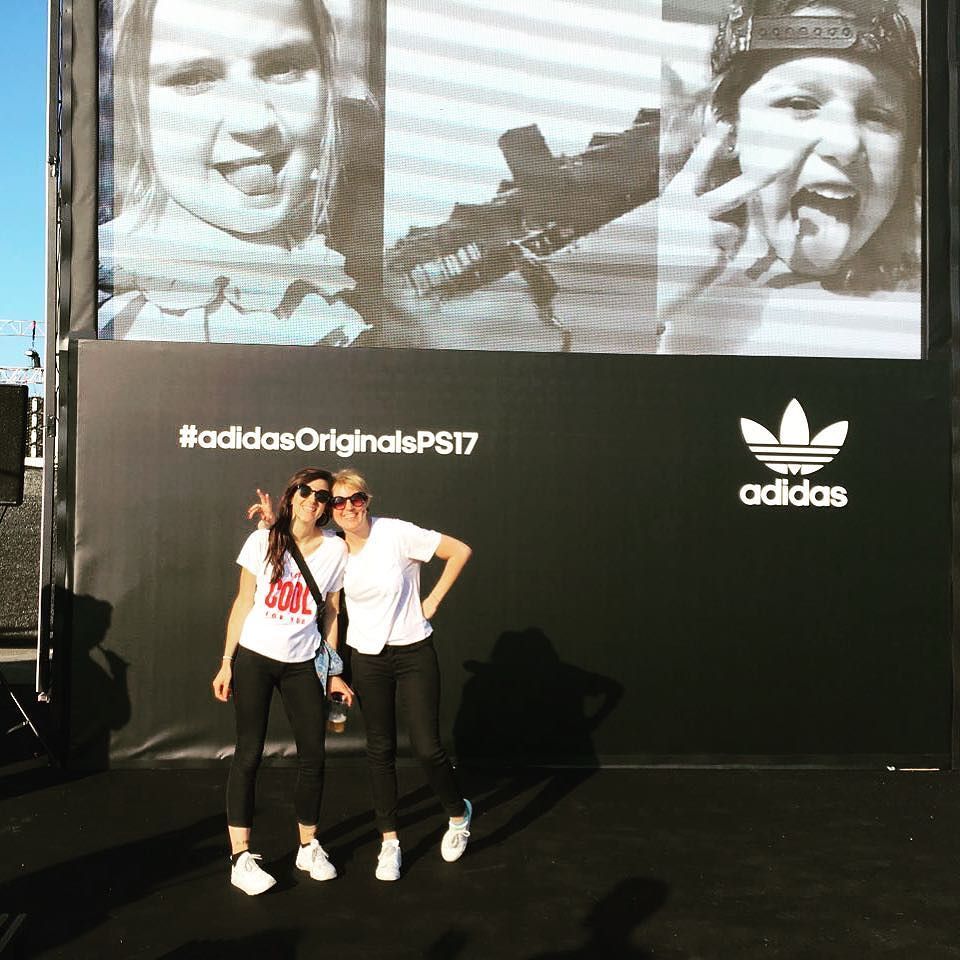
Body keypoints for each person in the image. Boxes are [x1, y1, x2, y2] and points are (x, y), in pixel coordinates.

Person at [656, 0, 921, 358]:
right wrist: (645, 294)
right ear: (727, 127)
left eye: (878, 116)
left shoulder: (923, 321)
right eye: (799, 104)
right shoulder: (654, 302)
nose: (845, 144)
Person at [98, 0, 372, 346]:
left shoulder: (348, 260)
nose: (254, 121)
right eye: (193, 78)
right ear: (130, 106)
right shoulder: (108, 301)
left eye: (283, 67)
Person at [251, 468, 473, 881]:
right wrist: (271, 525)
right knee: (379, 749)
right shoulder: (334, 547)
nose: (348, 507)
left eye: (356, 499)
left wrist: (432, 602)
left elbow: (459, 551)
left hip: (413, 651)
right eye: (338, 501)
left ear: (367, 501)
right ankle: (390, 843)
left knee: (427, 748)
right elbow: (295, 550)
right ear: (330, 510)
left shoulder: (396, 533)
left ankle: (458, 816)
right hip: (368, 658)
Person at [213, 467, 353, 895]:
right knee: (248, 754)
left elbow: (332, 611)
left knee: (314, 756)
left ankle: (308, 847)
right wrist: (226, 661)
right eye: (306, 491)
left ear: (328, 507)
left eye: (323, 496)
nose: (313, 500)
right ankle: (240, 858)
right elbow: (243, 601)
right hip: (254, 657)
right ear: (292, 495)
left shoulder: (336, 549)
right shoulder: (263, 540)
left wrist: (333, 670)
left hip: (302, 663)